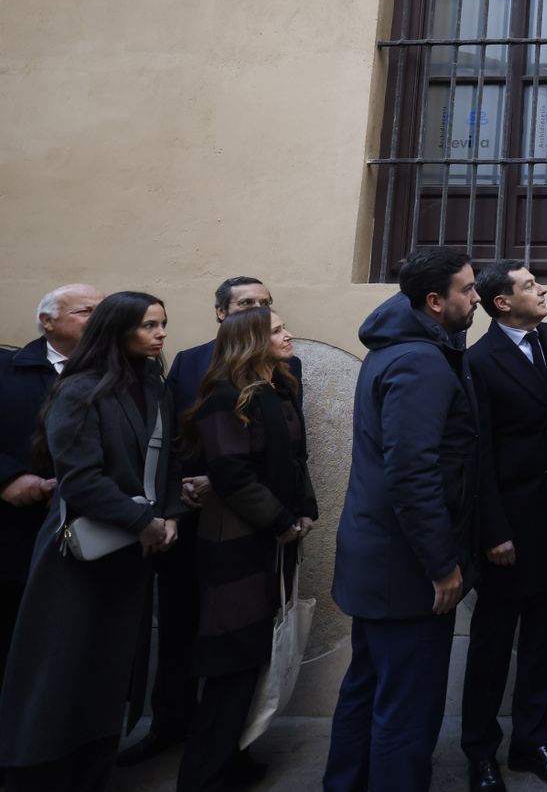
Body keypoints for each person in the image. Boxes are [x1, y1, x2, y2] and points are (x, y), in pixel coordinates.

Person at [0, 291, 181, 792]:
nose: (160, 334)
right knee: (58, 670)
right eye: (148, 325)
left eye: (162, 324)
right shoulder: (81, 389)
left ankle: (91, 773)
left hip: (133, 556)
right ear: (119, 330)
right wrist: (142, 521)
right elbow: (80, 479)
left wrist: (170, 515)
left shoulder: (154, 388)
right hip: (77, 557)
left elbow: (166, 465)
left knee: (109, 676)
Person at [324, 249, 482, 792]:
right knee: (405, 712)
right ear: (434, 302)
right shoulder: (418, 361)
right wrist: (441, 566)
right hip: (407, 568)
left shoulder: (399, 350)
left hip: (381, 561)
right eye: (467, 289)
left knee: (366, 690)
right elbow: (413, 474)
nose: (476, 297)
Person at [121, 275, 285, 768]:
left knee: (235, 636)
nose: (254, 310)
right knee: (178, 623)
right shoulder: (189, 361)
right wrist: (180, 491)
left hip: (239, 518)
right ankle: (170, 724)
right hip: (187, 516)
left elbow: (276, 447)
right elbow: (169, 432)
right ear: (220, 312)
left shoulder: (281, 363)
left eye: (263, 303)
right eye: (244, 303)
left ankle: (230, 744)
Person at [174, 308, 317, 792]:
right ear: (251, 340)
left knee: (256, 654)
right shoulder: (225, 397)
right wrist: (280, 522)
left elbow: (296, 460)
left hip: (271, 539)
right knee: (231, 659)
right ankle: (204, 775)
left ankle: (233, 759)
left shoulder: (278, 388)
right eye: (277, 330)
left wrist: (306, 510)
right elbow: (232, 472)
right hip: (236, 542)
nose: (288, 334)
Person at [461, 262, 547, 791]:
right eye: (530, 285)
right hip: (508, 529)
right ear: (502, 302)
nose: (543, 289)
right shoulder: (480, 362)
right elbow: (478, 453)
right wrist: (492, 531)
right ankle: (480, 752)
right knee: (491, 645)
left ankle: (531, 744)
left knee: (542, 639)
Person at [0, 283, 101, 691]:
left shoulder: (122, 373)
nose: (98, 320)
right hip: (15, 533)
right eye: (86, 312)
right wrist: (7, 478)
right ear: (47, 321)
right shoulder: (8, 371)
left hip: (90, 533)